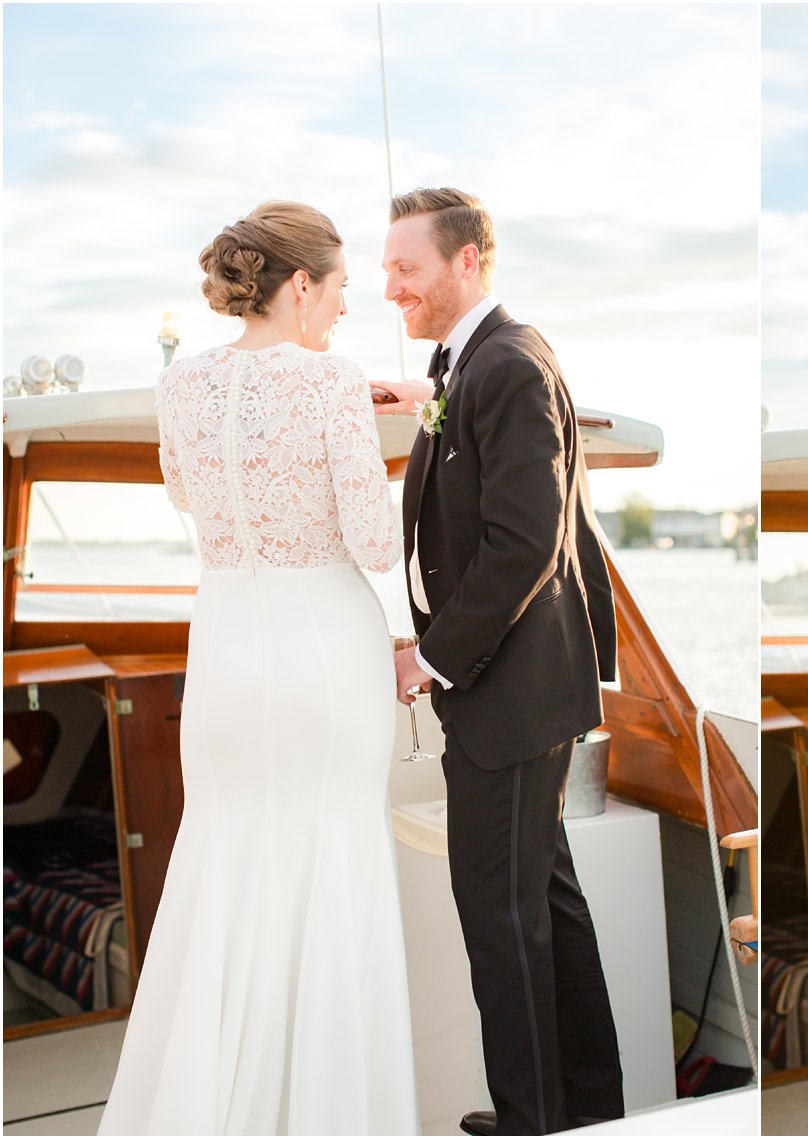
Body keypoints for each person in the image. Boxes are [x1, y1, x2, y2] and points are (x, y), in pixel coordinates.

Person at [99, 202, 419, 1134]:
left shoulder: (181, 384)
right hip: (323, 645)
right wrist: (395, 442)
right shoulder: (329, 383)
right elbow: (370, 535)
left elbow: (185, 491)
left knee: (227, 855)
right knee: (329, 854)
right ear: (303, 284)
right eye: (345, 287)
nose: (348, 308)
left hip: (230, 642)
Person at [372, 187, 623, 1136]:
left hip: (507, 692)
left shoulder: (510, 362)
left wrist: (430, 661)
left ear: (468, 260)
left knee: (499, 910)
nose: (390, 284)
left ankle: (531, 1118)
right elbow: (476, 446)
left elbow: (521, 542)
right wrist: (426, 402)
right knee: (545, 902)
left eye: (407, 267)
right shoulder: (472, 367)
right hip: (516, 687)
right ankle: (587, 1106)